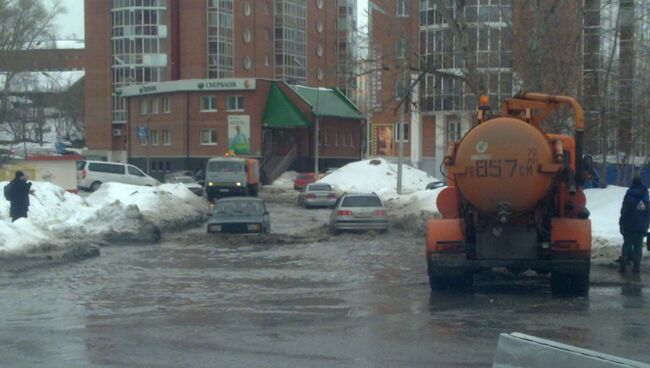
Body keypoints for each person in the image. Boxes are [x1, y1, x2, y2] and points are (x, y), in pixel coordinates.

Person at [618, 176, 650, 273]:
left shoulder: (629, 194)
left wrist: (621, 222)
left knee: (627, 244)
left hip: (629, 225)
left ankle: (623, 265)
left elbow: (624, 211)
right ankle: (636, 267)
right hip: (641, 226)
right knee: (638, 246)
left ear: (633, 183)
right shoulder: (646, 195)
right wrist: (646, 225)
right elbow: (648, 212)